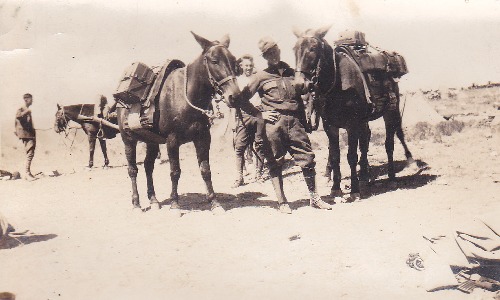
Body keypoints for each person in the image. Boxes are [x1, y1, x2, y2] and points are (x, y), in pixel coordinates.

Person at [235, 37, 333, 213]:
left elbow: (303, 90)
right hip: (274, 125)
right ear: (264, 57)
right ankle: (282, 202)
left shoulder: (292, 72)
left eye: (274, 51)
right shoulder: (261, 76)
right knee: (275, 161)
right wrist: (260, 114)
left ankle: (314, 198)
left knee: (308, 159)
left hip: (295, 123)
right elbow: (241, 99)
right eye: (267, 54)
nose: (272, 55)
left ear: (279, 50)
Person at [231, 54, 266, 188]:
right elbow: (234, 102)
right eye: (246, 65)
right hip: (243, 115)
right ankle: (239, 177)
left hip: (258, 114)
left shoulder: (258, 79)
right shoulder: (237, 81)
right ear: (241, 66)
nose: (248, 68)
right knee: (239, 147)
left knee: (260, 145)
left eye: (250, 65)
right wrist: (234, 120)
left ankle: (258, 175)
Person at [15, 93, 37, 181]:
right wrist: (26, 112)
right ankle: (27, 173)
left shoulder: (26, 109)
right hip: (26, 135)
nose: (32, 101)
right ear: (26, 99)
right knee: (30, 153)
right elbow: (18, 116)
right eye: (31, 99)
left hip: (29, 134)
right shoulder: (22, 109)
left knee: (30, 152)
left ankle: (28, 173)